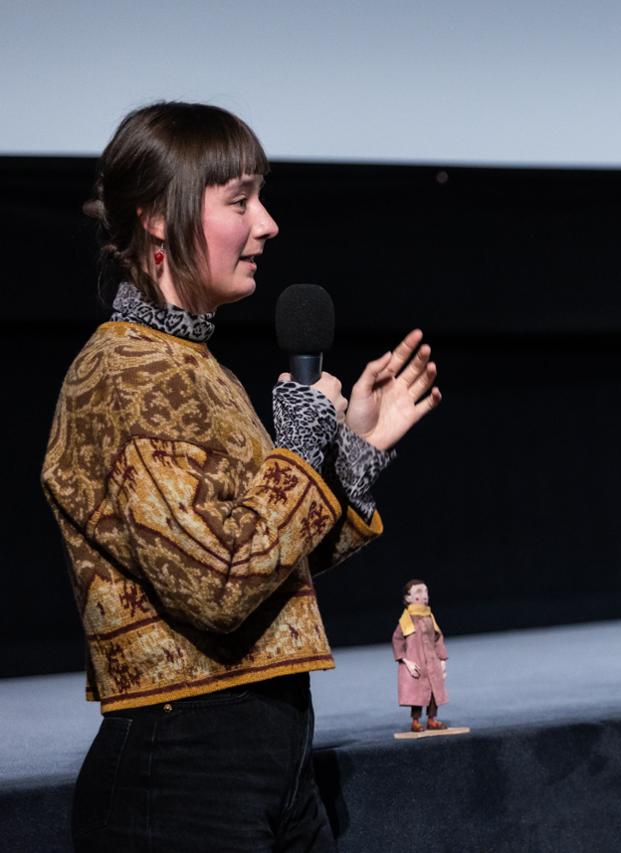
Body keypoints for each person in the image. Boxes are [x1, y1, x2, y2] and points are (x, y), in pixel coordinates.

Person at [41, 101, 442, 851]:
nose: (268, 224)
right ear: (156, 218)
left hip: (269, 755)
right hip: (182, 771)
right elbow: (220, 582)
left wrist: (352, 452)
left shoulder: (190, 366)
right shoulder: (125, 376)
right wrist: (299, 450)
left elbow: (269, 560)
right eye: (240, 201)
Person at [392, 579, 449, 732]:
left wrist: (442, 660)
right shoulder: (406, 621)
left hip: (431, 662)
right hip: (416, 662)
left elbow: (437, 638)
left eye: (425, 591)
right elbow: (397, 640)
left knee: (433, 693)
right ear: (408, 598)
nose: (424, 595)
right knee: (416, 694)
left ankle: (432, 719)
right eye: (418, 592)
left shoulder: (429, 617)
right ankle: (416, 721)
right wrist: (406, 662)